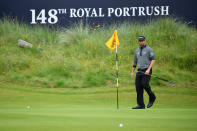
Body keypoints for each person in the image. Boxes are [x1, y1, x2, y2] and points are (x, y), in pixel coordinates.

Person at [131, 36, 156, 109]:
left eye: (142, 41)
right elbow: (135, 62)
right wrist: (132, 72)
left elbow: (153, 60)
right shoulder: (137, 50)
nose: (141, 42)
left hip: (147, 69)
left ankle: (152, 97)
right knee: (138, 87)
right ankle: (141, 105)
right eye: (140, 41)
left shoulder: (149, 49)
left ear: (145, 41)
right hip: (139, 70)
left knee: (144, 84)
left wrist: (148, 69)